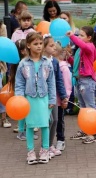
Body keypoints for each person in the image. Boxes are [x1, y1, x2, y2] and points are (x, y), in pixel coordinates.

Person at [15, 32, 56, 165]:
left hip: (44, 98)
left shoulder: (47, 62)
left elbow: (51, 82)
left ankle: (44, 150)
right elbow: (19, 83)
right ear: (28, 45)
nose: (39, 46)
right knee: (30, 126)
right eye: (35, 44)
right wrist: (20, 99)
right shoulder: (23, 63)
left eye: (40, 44)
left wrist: (52, 99)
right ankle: (30, 151)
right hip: (29, 99)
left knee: (44, 125)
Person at [67, 26, 96, 144]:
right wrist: (68, 57)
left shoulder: (89, 46)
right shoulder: (80, 50)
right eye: (78, 35)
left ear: (89, 38)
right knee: (83, 107)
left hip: (87, 81)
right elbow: (76, 64)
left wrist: (72, 36)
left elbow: (84, 46)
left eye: (81, 35)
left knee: (90, 106)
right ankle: (85, 129)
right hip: (79, 80)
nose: (79, 37)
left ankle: (94, 132)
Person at [43, 34, 68, 157]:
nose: (54, 48)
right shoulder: (40, 61)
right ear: (44, 47)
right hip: (43, 97)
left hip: (53, 96)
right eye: (51, 45)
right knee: (48, 121)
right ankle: (45, 146)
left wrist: (63, 96)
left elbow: (59, 80)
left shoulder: (54, 61)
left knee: (55, 120)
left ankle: (50, 144)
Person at [10, 39, 38, 140]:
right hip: (24, 92)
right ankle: (22, 132)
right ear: (23, 51)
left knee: (27, 112)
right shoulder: (22, 64)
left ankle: (25, 131)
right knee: (23, 112)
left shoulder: (23, 62)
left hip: (27, 92)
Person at [53, 43, 72, 151]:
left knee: (59, 120)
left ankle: (61, 140)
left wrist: (66, 98)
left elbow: (67, 85)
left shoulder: (63, 68)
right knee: (52, 121)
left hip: (60, 100)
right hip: (51, 100)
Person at [0, 61, 11, 128]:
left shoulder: (3, 65)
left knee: (3, 103)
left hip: (1, 88)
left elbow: (6, 72)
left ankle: (4, 119)